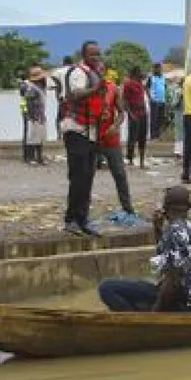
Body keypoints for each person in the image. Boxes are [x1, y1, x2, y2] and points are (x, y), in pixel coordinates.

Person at [98, 186, 191, 312]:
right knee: (143, 283)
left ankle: (137, 322)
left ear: (165, 207)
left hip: (176, 298)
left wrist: (156, 311)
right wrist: (158, 230)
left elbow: (172, 280)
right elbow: (166, 259)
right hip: (190, 296)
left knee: (107, 287)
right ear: (188, 207)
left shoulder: (172, 233)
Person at [61, 41, 108, 236]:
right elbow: (76, 94)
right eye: (92, 55)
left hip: (92, 131)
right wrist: (95, 90)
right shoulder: (78, 73)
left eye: (98, 54)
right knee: (78, 177)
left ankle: (83, 218)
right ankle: (71, 219)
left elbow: (100, 100)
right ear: (84, 55)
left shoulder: (97, 73)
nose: (96, 58)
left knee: (88, 176)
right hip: (76, 130)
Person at [95, 63, 139, 222]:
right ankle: (81, 212)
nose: (98, 73)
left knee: (120, 174)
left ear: (106, 72)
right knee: (85, 177)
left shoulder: (113, 88)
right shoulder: (85, 89)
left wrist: (115, 125)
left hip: (110, 137)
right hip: (90, 137)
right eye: (96, 70)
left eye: (101, 70)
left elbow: (121, 113)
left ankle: (128, 208)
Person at [123, 66, 149, 169]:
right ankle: (130, 159)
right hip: (134, 113)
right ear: (135, 74)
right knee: (132, 137)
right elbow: (125, 101)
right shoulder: (128, 84)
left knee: (143, 137)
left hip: (143, 113)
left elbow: (145, 76)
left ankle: (142, 161)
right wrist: (130, 114)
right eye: (139, 73)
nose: (141, 75)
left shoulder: (140, 84)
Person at [23, 66, 49, 166]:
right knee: (33, 139)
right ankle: (31, 158)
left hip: (41, 116)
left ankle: (39, 157)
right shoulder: (32, 88)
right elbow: (28, 102)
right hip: (35, 116)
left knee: (40, 138)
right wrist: (32, 116)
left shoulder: (40, 87)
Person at [147, 63, 168, 140]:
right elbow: (147, 88)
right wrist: (150, 97)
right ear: (155, 69)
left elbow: (165, 88)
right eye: (158, 68)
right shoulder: (151, 78)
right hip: (154, 101)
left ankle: (159, 135)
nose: (160, 70)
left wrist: (166, 98)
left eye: (161, 68)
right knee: (154, 119)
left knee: (161, 119)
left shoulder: (163, 78)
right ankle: (153, 135)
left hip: (162, 101)